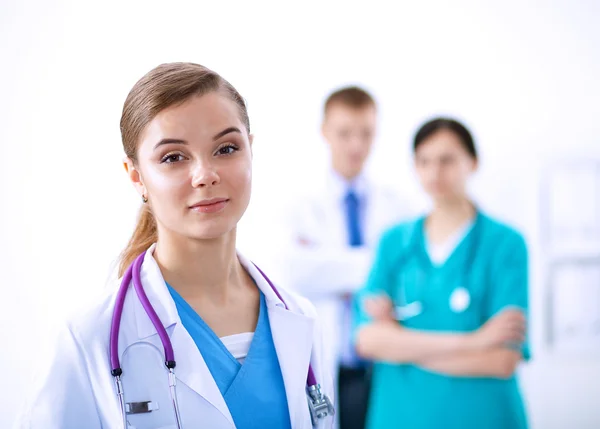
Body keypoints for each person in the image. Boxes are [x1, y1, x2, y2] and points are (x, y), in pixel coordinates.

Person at [14, 62, 334, 429]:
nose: (205, 175)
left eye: (226, 148)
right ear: (136, 177)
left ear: (251, 150)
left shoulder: (300, 318)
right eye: (173, 158)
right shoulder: (90, 337)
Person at [353, 117, 530, 429]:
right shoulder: (395, 243)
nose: (434, 173)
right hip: (400, 418)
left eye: (447, 160)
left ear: (472, 163)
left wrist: (400, 344)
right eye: (424, 161)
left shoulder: (506, 245)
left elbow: (502, 361)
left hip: (482, 418)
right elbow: (367, 341)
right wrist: (476, 341)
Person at [269, 86, 411, 429]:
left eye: (366, 133)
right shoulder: (298, 205)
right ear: (324, 132)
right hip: (329, 360)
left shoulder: (400, 208)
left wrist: (330, 266)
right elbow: (293, 272)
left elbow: (409, 282)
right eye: (345, 133)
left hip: (385, 363)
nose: (356, 145)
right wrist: (377, 266)